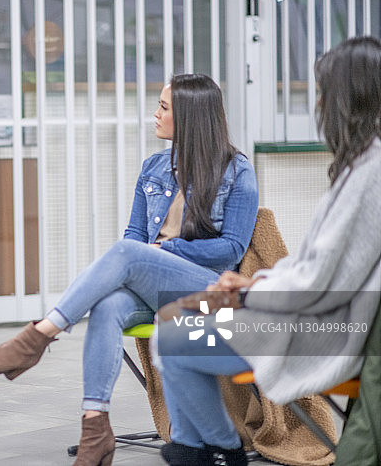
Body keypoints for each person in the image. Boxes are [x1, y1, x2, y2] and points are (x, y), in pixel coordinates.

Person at [0, 73, 259, 466]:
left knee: (127, 254)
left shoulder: (236, 170)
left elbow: (232, 249)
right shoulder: (154, 168)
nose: (154, 114)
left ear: (190, 116)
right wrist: (148, 255)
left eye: (163, 107)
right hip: (153, 285)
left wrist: (165, 249)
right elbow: (135, 234)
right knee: (107, 306)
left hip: (206, 288)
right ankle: (95, 427)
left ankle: (38, 336)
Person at [154, 35, 381, 466]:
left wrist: (248, 294)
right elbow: (315, 265)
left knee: (173, 332)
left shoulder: (371, 172)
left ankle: (219, 448)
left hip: (321, 331)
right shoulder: (362, 164)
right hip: (311, 315)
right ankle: (215, 446)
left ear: (347, 98)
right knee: (174, 323)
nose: (316, 103)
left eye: (321, 93)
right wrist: (255, 281)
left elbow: (319, 281)